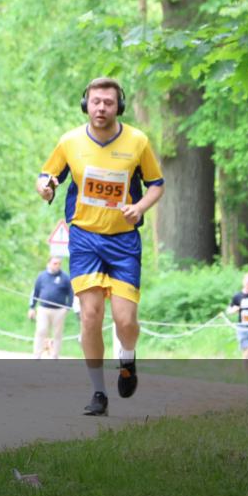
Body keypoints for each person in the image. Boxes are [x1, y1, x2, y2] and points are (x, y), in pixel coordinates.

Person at [36, 77, 164, 416]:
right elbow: (47, 176)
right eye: (95, 102)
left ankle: (127, 359)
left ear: (118, 106)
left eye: (108, 102)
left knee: (125, 321)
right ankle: (98, 392)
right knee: (90, 316)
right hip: (85, 239)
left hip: (123, 241)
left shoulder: (137, 141)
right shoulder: (70, 142)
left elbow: (156, 185)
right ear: (86, 104)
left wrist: (140, 208)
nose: (101, 108)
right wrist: (45, 188)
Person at [28, 256, 73, 359]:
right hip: (43, 309)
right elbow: (35, 292)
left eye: (59, 264)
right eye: (55, 263)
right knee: (41, 330)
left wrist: (68, 307)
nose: (57, 266)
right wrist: (32, 307)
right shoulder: (41, 276)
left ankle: (54, 355)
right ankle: (37, 355)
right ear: (49, 263)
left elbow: (70, 293)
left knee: (57, 333)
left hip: (59, 310)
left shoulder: (65, 277)